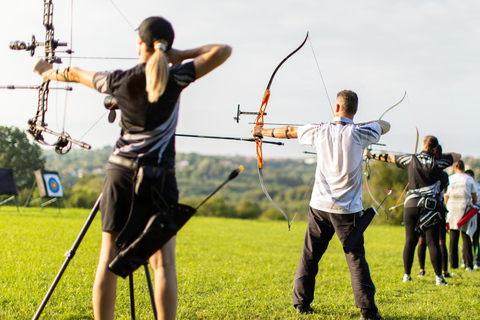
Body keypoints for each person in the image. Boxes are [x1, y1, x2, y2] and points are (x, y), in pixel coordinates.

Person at [34, 16, 232, 320]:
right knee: (163, 262)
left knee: (108, 259)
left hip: (119, 175)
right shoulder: (177, 77)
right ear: (166, 46)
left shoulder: (117, 80)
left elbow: (74, 73)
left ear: (139, 44)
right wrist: (179, 56)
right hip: (159, 177)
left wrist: (47, 72)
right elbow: (222, 50)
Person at [252, 90, 390, 320]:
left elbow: (288, 132)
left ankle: (301, 304)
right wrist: (364, 122)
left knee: (310, 256)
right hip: (348, 212)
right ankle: (367, 311)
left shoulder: (320, 129)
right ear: (354, 110)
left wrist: (261, 131)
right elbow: (385, 124)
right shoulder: (362, 132)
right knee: (355, 258)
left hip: (319, 207)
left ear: (336, 107)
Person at [365, 136, 461, 285]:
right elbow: (457, 156)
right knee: (433, 241)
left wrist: (371, 156)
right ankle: (438, 278)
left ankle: (407, 275)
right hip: (430, 207)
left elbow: (389, 158)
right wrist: (438, 155)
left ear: (423, 144)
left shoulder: (411, 159)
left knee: (410, 240)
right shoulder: (438, 161)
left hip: (411, 205)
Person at [417, 170, 450, 278]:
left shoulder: (423, 174)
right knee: (440, 242)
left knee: (422, 241)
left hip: (424, 208)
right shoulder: (443, 174)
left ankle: (422, 270)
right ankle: (444, 271)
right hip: (437, 208)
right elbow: (445, 191)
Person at [445, 161, 477, 271]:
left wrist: (447, 205)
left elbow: (446, 195)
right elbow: (474, 195)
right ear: (463, 168)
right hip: (465, 205)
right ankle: (469, 264)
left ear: (455, 168)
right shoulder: (469, 179)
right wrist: (472, 202)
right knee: (466, 235)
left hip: (452, 206)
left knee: (453, 236)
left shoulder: (450, 178)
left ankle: (453, 264)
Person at [465, 169, 480, 270]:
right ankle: (475, 260)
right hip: (472, 213)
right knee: (473, 238)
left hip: (474, 214)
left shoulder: (472, 186)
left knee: (472, 237)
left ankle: (475, 260)